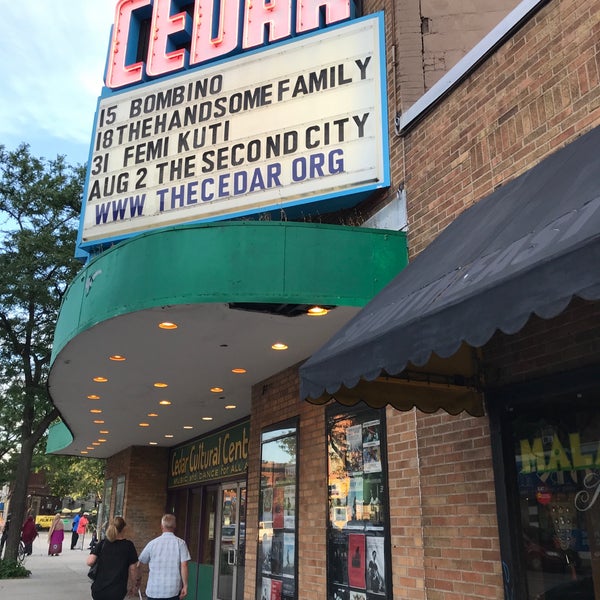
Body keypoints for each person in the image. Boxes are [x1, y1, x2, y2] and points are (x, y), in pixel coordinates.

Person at [137, 514, 191, 600]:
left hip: (153, 591)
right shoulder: (180, 543)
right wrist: (185, 585)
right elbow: (184, 565)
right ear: (175, 526)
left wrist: (138, 579)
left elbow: (140, 562)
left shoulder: (152, 544)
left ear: (162, 526)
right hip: (172, 591)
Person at [87, 516, 138, 600]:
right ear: (124, 528)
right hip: (117, 590)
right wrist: (133, 585)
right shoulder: (128, 546)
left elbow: (90, 562)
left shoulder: (103, 543)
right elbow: (133, 569)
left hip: (99, 588)